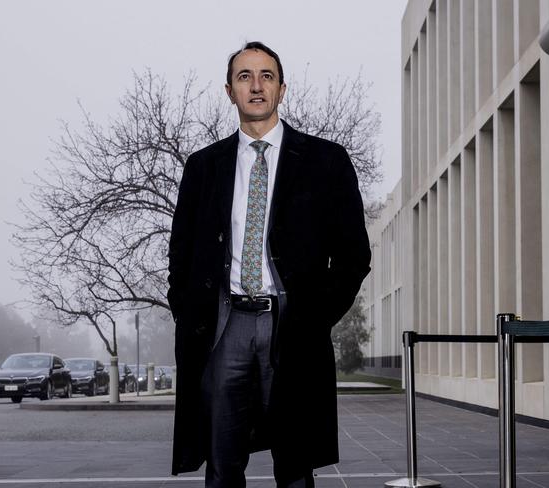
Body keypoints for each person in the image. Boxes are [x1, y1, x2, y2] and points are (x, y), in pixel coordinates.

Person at [168, 41, 371, 488]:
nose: (256, 86)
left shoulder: (326, 161)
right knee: (221, 465)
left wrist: (316, 317)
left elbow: (355, 254)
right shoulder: (202, 167)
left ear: (282, 89)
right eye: (244, 76)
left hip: (293, 327)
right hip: (227, 328)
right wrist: (188, 309)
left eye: (266, 76)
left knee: (295, 466)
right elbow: (180, 253)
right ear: (229, 91)